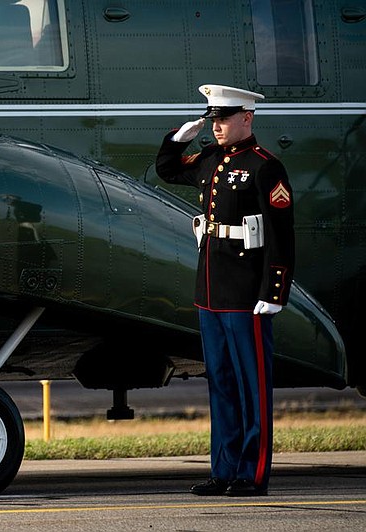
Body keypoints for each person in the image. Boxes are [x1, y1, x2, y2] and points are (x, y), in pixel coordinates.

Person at [156, 84, 295, 497]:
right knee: (220, 383)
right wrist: (176, 138)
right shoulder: (212, 160)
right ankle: (223, 470)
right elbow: (168, 170)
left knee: (252, 385)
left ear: (247, 117)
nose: (216, 126)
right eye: (213, 119)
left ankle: (252, 474)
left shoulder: (265, 167)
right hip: (212, 291)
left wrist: (274, 291)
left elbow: (280, 237)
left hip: (246, 292)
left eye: (224, 118)